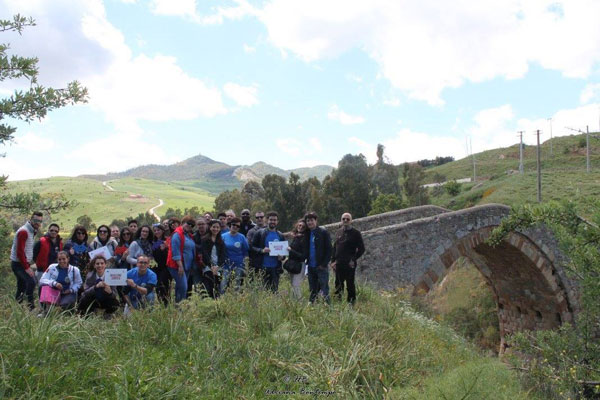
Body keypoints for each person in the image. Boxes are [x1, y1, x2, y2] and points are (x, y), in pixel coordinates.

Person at [10, 212, 43, 309]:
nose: (38, 223)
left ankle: (18, 307)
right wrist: (27, 267)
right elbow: (20, 252)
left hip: (22, 263)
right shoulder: (24, 231)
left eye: (40, 221)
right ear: (31, 219)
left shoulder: (31, 230)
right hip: (18, 264)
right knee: (31, 282)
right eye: (36, 220)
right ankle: (31, 307)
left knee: (21, 285)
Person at [332, 213, 365, 304]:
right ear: (341, 220)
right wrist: (333, 261)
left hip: (350, 264)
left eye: (347, 219)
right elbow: (335, 247)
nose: (345, 220)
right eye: (343, 219)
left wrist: (353, 259)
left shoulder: (356, 233)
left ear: (351, 221)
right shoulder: (338, 232)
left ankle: (351, 304)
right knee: (338, 285)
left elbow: (362, 249)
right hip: (339, 263)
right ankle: (338, 304)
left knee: (350, 285)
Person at [251, 211, 285, 292]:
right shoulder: (260, 233)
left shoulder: (280, 235)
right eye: (271, 220)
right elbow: (252, 247)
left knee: (274, 291)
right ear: (267, 220)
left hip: (275, 268)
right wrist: (262, 250)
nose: (273, 222)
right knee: (262, 291)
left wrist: (282, 257)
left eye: (275, 220)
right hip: (262, 267)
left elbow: (283, 253)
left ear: (277, 221)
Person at [304, 212, 332, 303]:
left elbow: (329, 249)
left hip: (321, 267)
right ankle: (313, 308)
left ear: (316, 221)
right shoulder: (307, 233)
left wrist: (323, 264)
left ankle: (328, 308)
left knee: (324, 289)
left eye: (311, 220)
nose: (309, 223)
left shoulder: (323, 232)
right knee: (312, 289)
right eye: (308, 221)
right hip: (311, 266)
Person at [167, 215, 196, 302]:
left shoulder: (188, 235)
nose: (190, 226)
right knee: (184, 287)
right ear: (183, 223)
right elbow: (175, 252)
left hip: (187, 265)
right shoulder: (177, 234)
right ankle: (181, 306)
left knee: (180, 286)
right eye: (188, 223)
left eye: (192, 225)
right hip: (178, 266)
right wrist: (180, 266)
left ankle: (178, 305)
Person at [221, 217, 249, 294]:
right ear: (230, 225)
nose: (235, 227)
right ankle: (221, 302)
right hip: (226, 265)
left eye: (238, 226)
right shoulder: (223, 236)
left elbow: (246, 251)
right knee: (223, 284)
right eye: (234, 225)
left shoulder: (242, 237)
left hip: (238, 265)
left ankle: (236, 302)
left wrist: (245, 265)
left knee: (237, 285)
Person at [200, 220, 226, 299]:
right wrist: (211, 266)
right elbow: (205, 254)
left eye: (217, 227)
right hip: (208, 267)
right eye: (214, 227)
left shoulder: (221, 241)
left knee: (217, 288)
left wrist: (217, 266)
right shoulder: (205, 240)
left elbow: (222, 255)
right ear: (210, 228)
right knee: (208, 288)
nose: (216, 229)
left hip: (218, 268)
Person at [287, 219, 308, 299]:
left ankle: (299, 302)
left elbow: (303, 256)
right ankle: (294, 302)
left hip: (300, 265)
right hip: (293, 264)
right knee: (292, 284)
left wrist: (291, 251)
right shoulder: (296, 237)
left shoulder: (305, 239)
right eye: (299, 225)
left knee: (296, 285)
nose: (301, 227)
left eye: (303, 226)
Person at [151, 224, 171, 304]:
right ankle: (161, 304)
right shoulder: (153, 242)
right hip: (156, 267)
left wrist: (166, 248)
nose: (156, 232)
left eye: (158, 230)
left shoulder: (167, 240)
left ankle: (167, 304)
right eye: (155, 230)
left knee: (163, 285)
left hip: (165, 267)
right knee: (157, 287)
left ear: (162, 231)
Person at [189, 217, 208, 296]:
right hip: (196, 264)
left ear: (206, 225)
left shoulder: (211, 234)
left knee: (208, 285)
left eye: (203, 224)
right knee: (197, 286)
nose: (201, 226)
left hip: (208, 264)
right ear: (196, 226)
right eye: (199, 224)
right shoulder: (193, 236)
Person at [246, 211, 265, 276]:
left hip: (268, 261)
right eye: (257, 217)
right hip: (255, 261)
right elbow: (249, 245)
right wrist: (261, 250)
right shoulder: (251, 231)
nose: (259, 219)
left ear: (264, 218)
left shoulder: (270, 230)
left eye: (261, 217)